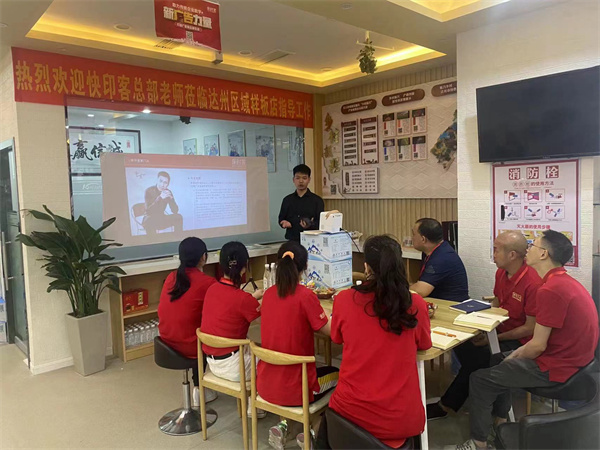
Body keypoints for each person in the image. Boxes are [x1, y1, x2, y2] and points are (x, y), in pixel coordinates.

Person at [452, 230, 599, 450]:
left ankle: (478, 442)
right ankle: (501, 421)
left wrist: (510, 359)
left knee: (480, 379)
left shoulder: (550, 289)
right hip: (573, 358)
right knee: (496, 361)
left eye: (533, 245)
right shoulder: (562, 281)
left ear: (544, 254)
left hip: (559, 366)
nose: (527, 249)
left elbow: (537, 345)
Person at [317, 235, 431, 449]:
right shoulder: (415, 303)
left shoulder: (345, 299)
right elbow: (424, 344)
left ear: (366, 267)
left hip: (348, 413)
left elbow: (336, 337)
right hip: (400, 419)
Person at [427, 231, 542, 420]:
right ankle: (465, 399)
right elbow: (497, 301)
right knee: (462, 343)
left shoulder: (533, 282)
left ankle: (450, 405)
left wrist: (493, 338)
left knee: (479, 359)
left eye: (496, 250)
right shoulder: (501, 272)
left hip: (520, 341)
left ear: (512, 255)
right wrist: (483, 327)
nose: (493, 255)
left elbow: (529, 328)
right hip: (497, 330)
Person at [258, 241, 338, 449]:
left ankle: (285, 425)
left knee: (294, 372)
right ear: (305, 267)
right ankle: (313, 430)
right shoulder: (306, 296)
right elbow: (331, 332)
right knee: (339, 376)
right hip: (299, 389)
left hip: (266, 384)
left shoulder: (268, 294)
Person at [200, 242, 265, 415]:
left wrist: (251, 298)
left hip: (211, 363)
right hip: (235, 367)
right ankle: (255, 405)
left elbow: (234, 305)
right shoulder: (242, 299)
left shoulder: (212, 289)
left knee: (256, 346)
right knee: (272, 358)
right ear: (244, 267)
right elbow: (264, 312)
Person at [158, 237, 218, 406]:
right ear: (204, 257)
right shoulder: (208, 283)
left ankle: (199, 388)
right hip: (190, 346)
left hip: (166, 342)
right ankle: (201, 388)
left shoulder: (171, 277)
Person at [410, 218, 469, 302]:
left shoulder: (442, 257)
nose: (412, 238)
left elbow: (421, 291)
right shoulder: (435, 250)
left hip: (451, 306)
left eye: (413, 234)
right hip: (438, 301)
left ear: (423, 239)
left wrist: (401, 288)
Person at [278, 164, 325, 242]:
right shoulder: (287, 200)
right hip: (292, 239)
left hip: (312, 240)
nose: (301, 181)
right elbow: (281, 218)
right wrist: (283, 223)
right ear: (293, 180)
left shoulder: (317, 200)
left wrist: (310, 224)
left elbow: (321, 222)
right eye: (297, 178)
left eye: (304, 178)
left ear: (309, 180)